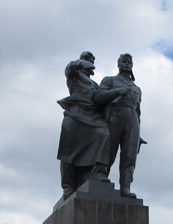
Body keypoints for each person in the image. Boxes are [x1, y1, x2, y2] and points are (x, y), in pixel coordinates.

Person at [56, 51, 123, 199]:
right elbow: (70, 67)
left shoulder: (95, 85)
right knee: (68, 152)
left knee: (104, 134)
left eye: (92, 60)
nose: (90, 62)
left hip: (93, 116)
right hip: (75, 114)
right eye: (87, 59)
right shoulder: (73, 75)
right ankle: (68, 186)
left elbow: (101, 99)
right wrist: (81, 63)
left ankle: (98, 174)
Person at [98, 53, 143, 198]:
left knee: (129, 156)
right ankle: (100, 179)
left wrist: (138, 134)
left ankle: (126, 187)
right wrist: (117, 91)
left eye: (130, 61)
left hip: (132, 120)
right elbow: (98, 97)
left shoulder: (137, 89)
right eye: (124, 61)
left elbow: (138, 111)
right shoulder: (109, 80)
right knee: (108, 150)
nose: (127, 63)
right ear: (118, 64)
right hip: (114, 116)